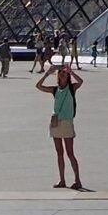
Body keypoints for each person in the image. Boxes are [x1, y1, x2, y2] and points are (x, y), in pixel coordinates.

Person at [36, 59, 87, 190]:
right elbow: (38, 86)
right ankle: (62, 180)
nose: (62, 76)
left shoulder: (71, 88)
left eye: (64, 74)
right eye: (60, 74)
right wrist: (47, 74)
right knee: (59, 153)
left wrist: (72, 72)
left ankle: (77, 180)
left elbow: (81, 82)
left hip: (66, 122)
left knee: (70, 152)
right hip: (55, 122)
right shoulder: (55, 90)